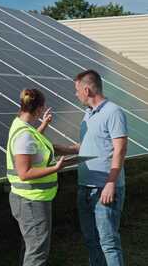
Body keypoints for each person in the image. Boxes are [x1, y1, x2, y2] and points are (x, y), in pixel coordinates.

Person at [6, 88, 67, 266]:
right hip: (31, 201)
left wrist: (44, 124)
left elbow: (32, 144)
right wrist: (56, 167)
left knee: (30, 247)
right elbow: (24, 173)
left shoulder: (21, 126)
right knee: (37, 252)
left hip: (27, 200)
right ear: (39, 109)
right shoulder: (24, 134)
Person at [74, 70, 128, 266]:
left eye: (77, 89)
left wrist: (111, 183)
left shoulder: (113, 112)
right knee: (91, 241)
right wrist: (53, 148)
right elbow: (86, 145)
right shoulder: (87, 114)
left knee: (108, 242)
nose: (76, 94)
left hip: (104, 188)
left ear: (87, 89)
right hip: (85, 188)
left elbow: (120, 149)